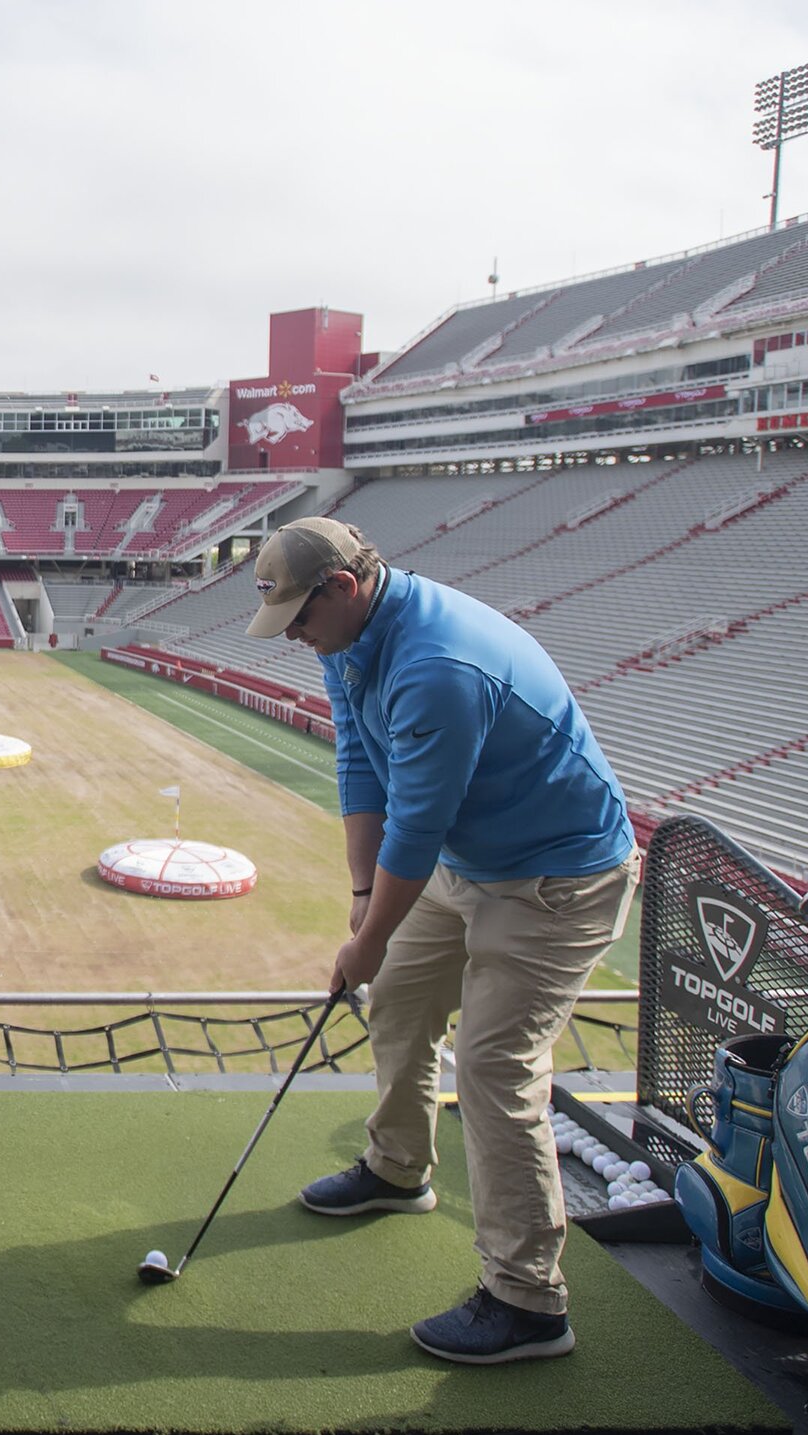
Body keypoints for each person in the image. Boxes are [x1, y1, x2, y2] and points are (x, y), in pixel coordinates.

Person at [246, 517, 636, 1365]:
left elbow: (415, 829)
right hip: (471, 859)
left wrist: (368, 939)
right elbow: (359, 760)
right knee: (400, 1003)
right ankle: (397, 1169)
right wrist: (361, 900)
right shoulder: (351, 640)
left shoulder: (434, 668)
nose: (295, 641)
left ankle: (528, 1302)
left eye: (299, 621)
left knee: (496, 1069)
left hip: (555, 881)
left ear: (342, 588)